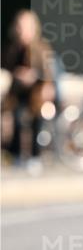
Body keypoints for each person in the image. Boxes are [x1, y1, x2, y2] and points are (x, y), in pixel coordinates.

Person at [2, 9, 56, 172]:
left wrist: (36, 78)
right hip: (18, 92)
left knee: (36, 123)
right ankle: (17, 155)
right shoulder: (13, 48)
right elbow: (6, 67)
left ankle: (35, 156)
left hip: (37, 93)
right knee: (17, 120)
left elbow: (48, 73)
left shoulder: (41, 47)